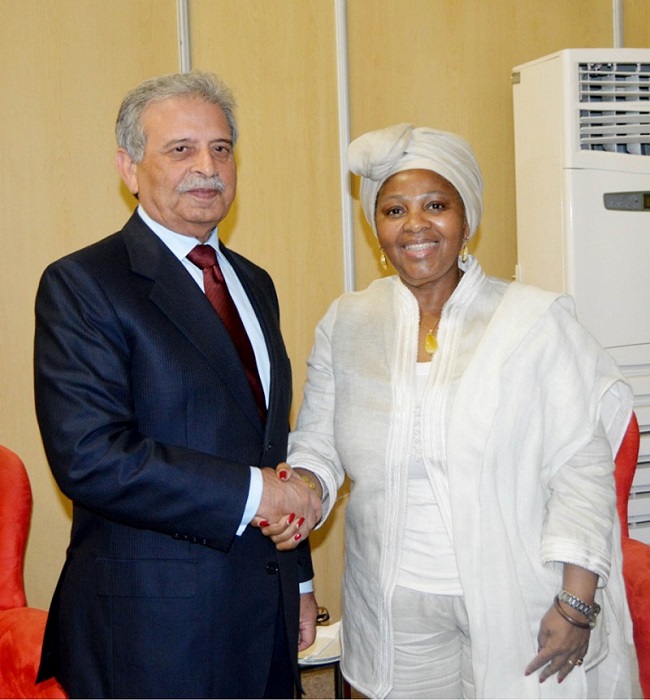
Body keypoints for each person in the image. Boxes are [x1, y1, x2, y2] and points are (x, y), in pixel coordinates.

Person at [279, 123, 637, 698]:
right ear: (377, 228)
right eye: (394, 210)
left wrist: (576, 604)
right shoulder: (349, 322)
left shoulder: (534, 323)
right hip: (393, 610)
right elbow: (318, 445)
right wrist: (300, 491)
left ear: (466, 218)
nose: (415, 225)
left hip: (520, 597)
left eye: (436, 205)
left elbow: (582, 469)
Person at [33, 71, 321, 699]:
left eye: (221, 148)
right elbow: (91, 457)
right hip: (152, 633)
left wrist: (295, 578)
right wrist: (256, 494)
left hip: (263, 616)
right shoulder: (83, 283)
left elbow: (270, 448)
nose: (207, 167)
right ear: (129, 168)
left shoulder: (256, 282)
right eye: (181, 149)